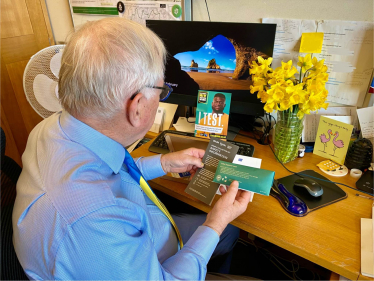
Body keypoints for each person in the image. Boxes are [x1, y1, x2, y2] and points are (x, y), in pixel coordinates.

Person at [12, 18, 252, 280]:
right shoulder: (92, 221)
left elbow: (107, 175)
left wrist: (163, 163)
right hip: (149, 265)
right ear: (137, 107)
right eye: (162, 91)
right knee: (226, 231)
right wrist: (215, 222)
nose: (162, 97)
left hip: (142, 233)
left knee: (230, 231)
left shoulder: (52, 127)